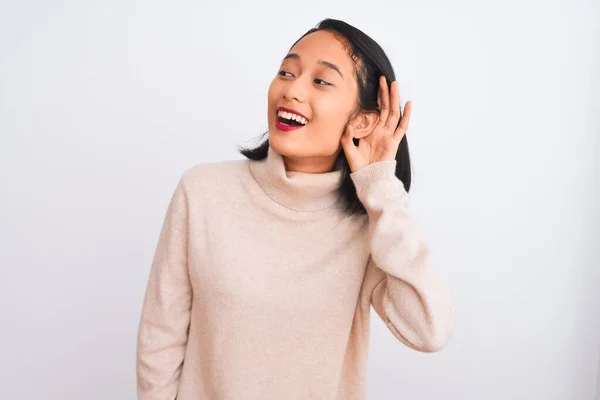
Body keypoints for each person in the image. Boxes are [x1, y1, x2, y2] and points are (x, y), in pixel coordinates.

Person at [136, 18, 455, 400]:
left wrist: (381, 187)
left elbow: (429, 330)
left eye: (321, 81)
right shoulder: (203, 191)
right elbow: (160, 340)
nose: (292, 90)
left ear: (362, 120)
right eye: (287, 72)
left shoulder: (371, 227)